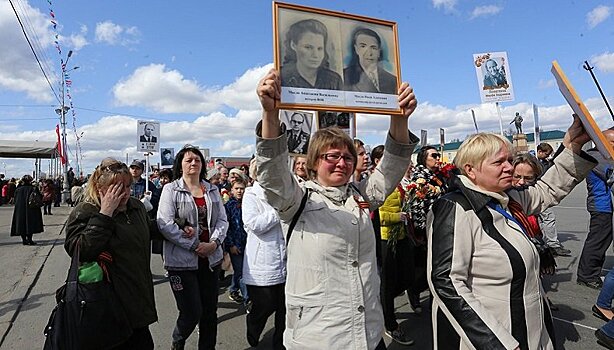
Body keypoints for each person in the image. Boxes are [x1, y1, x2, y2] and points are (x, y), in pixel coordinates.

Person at [255, 68, 418, 349]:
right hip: (320, 337)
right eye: (332, 156)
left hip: (368, 333)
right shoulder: (296, 200)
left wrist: (398, 117)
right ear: (314, 162)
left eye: (347, 157)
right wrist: (270, 115)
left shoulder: (361, 195)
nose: (341, 163)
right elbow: (272, 173)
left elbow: (391, 167)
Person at [427, 116, 595, 349]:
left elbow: (547, 190)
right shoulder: (456, 208)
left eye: (509, 160)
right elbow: (447, 282)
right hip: (498, 336)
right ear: (470, 170)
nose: (510, 167)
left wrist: (574, 146)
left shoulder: (507, 198)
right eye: (499, 163)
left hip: (530, 328)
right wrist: (497, 342)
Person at [64, 158, 160, 348]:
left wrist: (179, 225)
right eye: (116, 188)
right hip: (106, 305)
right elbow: (80, 250)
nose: (123, 193)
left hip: (138, 298)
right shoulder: (86, 211)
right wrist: (105, 214)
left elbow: (147, 230)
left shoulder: (136, 206)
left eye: (127, 186)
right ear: (100, 188)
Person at [157, 145, 228, 350]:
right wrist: (196, 245)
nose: (193, 163)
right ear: (180, 164)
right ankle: (178, 341)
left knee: (209, 312)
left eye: (197, 160)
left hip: (210, 260)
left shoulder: (212, 189)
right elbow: (165, 224)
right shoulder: (171, 189)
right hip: (181, 262)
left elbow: (222, 220)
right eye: (188, 160)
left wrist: (213, 244)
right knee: (191, 311)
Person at [242, 159, 287, 350]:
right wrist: (278, 211)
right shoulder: (251, 194)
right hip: (263, 259)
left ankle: (280, 344)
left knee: (285, 308)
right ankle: (253, 324)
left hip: (286, 256)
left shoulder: (284, 192)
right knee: (265, 305)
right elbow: (254, 224)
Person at [378, 158, 415, 345]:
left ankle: (383, 302)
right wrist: (397, 216)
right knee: (388, 282)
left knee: (409, 276)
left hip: (400, 235)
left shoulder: (397, 182)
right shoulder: (378, 185)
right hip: (386, 238)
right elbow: (377, 215)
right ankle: (390, 323)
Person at [577, 129, 614, 289]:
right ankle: (587, 275)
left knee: (602, 240)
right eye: (612, 142)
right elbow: (610, 175)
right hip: (601, 206)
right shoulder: (597, 157)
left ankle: (589, 273)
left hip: (605, 205)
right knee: (597, 241)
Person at [280, 19, 342, 90]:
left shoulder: (334, 80)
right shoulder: (282, 76)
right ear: (293, 45)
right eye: (308, 47)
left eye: (320, 48)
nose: (315, 55)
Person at [536, 142, 571, 257]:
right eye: (546, 154)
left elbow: (556, 158)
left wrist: (564, 145)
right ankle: (553, 244)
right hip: (538, 195)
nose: (548, 156)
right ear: (539, 152)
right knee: (548, 218)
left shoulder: (544, 162)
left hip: (540, 195)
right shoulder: (534, 163)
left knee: (542, 220)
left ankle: (544, 242)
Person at [343, 27, 397, 94]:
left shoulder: (392, 80)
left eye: (373, 47)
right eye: (363, 46)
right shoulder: (345, 76)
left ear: (379, 51)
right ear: (356, 49)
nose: (369, 53)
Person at [10, 175, 43, 245]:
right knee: (30, 224)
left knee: (21, 224)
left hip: (20, 209)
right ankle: (30, 239)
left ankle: (24, 240)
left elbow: (15, 199)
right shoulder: (33, 188)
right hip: (31, 209)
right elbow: (39, 197)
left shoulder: (18, 189)